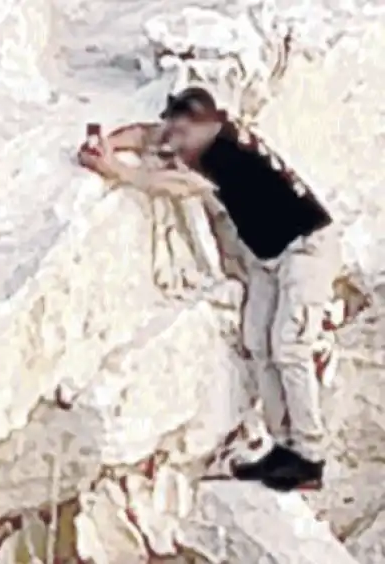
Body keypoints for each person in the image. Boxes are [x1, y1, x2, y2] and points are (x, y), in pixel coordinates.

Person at [78, 87, 338, 491]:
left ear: (203, 124)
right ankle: (283, 447)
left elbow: (179, 186)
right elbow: (149, 134)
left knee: (290, 347)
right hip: (269, 257)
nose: (174, 143)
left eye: (181, 133)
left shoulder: (226, 153)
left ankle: (311, 456)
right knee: (257, 342)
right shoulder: (207, 136)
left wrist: (119, 172)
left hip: (306, 248)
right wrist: (106, 144)